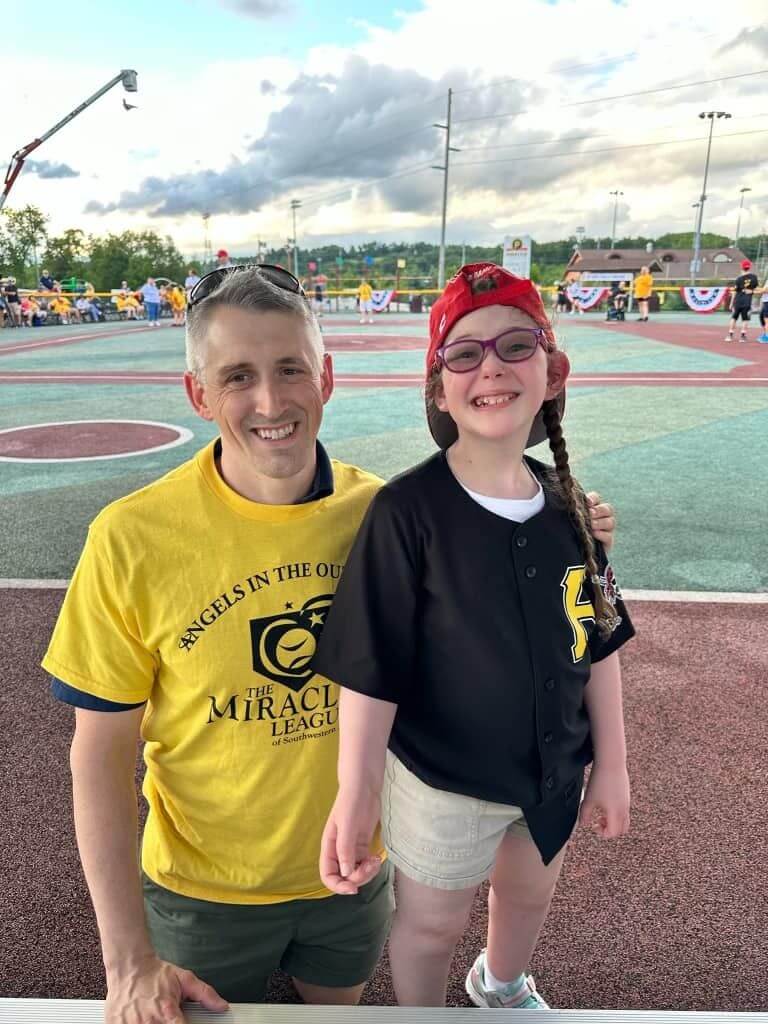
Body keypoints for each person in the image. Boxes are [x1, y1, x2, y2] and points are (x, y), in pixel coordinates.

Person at [42, 263, 617, 1022]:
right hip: (206, 894)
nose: (271, 402)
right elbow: (100, 752)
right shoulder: (131, 538)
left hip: (353, 879)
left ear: (328, 377)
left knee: (338, 1010)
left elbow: (519, 555)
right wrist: (127, 961)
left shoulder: (389, 514)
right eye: (238, 376)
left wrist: (578, 517)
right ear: (198, 394)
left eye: (290, 370)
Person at [314, 262, 634, 1010]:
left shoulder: (571, 510)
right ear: (439, 388)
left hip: (553, 767)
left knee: (527, 897)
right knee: (430, 924)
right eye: (464, 354)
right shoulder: (404, 513)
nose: (490, 367)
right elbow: (370, 669)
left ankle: (501, 984)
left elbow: (600, 645)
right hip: (441, 782)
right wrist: (356, 792)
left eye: (515, 346)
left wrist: (612, 763)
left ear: (553, 373)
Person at [725, 259, 758, 343]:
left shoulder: (738, 279)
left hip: (738, 301)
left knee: (734, 317)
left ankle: (730, 335)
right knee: (745, 319)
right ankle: (742, 337)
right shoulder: (754, 277)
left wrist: (731, 303)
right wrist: (752, 291)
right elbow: (756, 289)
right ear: (749, 267)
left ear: (742, 267)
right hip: (747, 301)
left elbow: (735, 291)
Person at [758, 271, 768, 343]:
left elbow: (765, 290)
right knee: (761, 317)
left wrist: (753, 290)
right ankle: (766, 334)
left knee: (766, 320)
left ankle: (767, 337)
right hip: (765, 302)